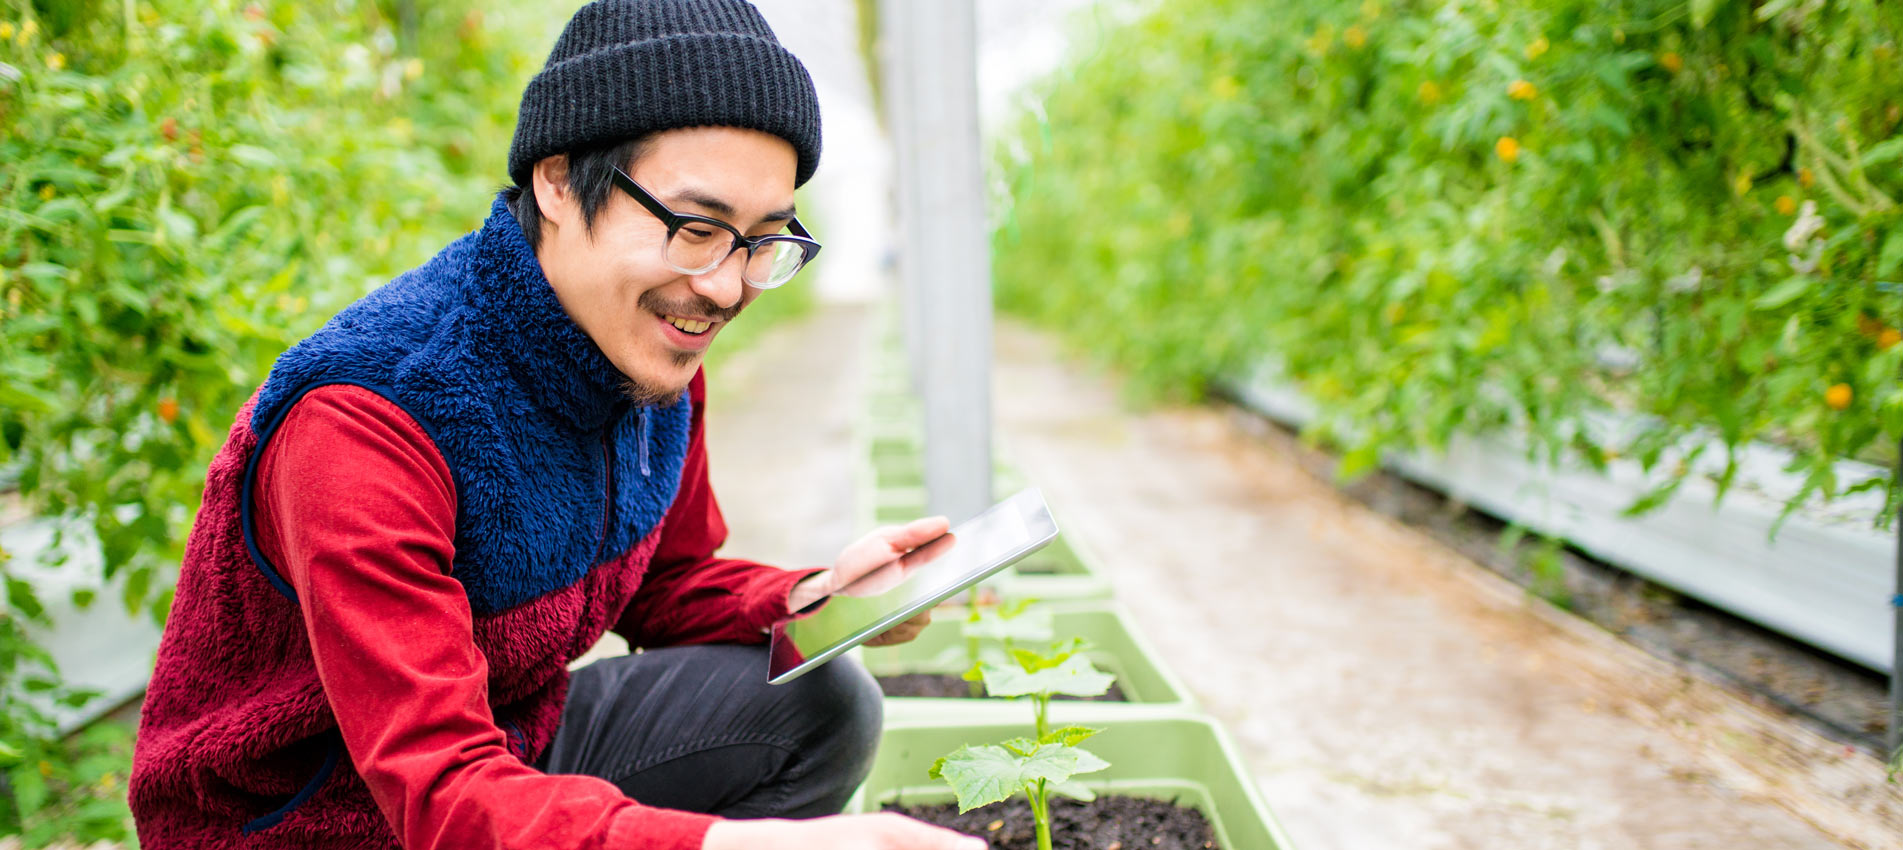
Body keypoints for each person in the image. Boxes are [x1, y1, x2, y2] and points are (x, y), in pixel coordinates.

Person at [127, 1, 984, 848]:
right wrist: (744, 845)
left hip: (507, 749)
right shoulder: (368, 419)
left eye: (762, 240)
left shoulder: (650, 360)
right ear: (559, 180)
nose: (726, 288)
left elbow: (665, 583)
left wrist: (816, 599)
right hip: (317, 822)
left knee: (818, 700)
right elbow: (441, 789)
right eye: (696, 228)